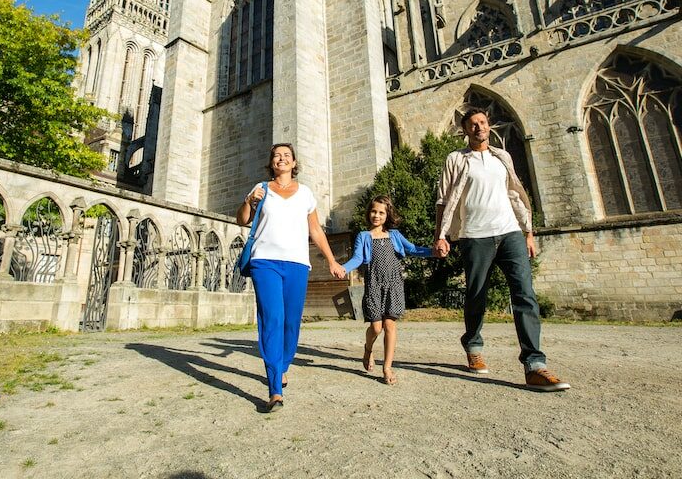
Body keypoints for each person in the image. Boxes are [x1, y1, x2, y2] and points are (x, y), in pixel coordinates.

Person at [433, 107, 570, 391]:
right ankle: (472, 344)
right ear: (465, 130)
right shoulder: (456, 159)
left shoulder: (501, 157)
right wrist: (441, 236)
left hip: (509, 233)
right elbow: (443, 200)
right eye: (473, 124)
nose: (479, 127)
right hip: (475, 236)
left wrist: (528, 232)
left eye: (482, 122)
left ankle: (534, 364)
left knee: (524, 294)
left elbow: (515, 194)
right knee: (476, 295)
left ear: (489, 126)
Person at [237, 143, 346, 412]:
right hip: (265, 262)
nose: (282, 159)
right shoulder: (260, 189)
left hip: (297, 264)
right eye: (277, 155)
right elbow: (242, 220)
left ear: (294, 163)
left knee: (291, 322)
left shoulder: (306, 193)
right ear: (271, 162)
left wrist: (332, 260)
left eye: (287, 155)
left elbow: (316, 231)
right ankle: (274, 387)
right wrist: (249, 202)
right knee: (272, 319)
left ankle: (283, 365)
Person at [343, 195, 430, 385]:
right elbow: (358, 258)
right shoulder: (364, 236)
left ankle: (387, 367)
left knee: (390, 325)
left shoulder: (395, 235)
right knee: (376, 327)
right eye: (374, 211)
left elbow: (413, 249)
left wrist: (433, 251)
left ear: (387, 214)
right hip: (374, 285)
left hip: (394, 285)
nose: (377, 215)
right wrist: (344, 268)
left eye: (381, 212)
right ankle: (368, 349)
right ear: (369, 213)